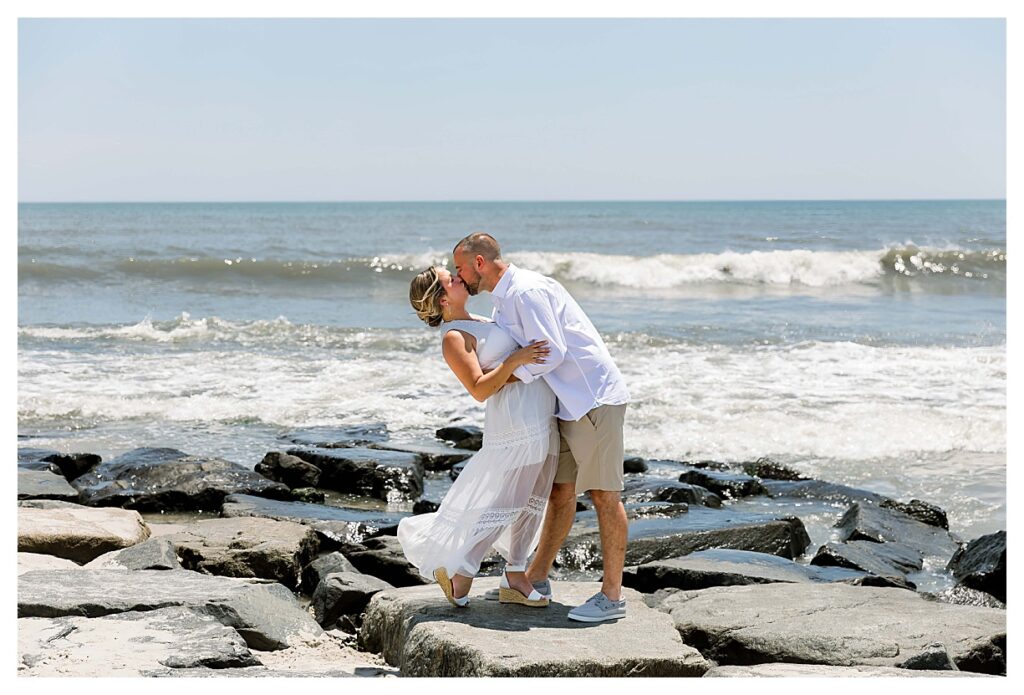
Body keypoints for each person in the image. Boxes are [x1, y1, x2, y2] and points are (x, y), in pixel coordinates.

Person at [453, 233, 630, 622]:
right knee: (560, 492)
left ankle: (612, 597)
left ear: (480, 263)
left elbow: (552, 352)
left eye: (461, 268)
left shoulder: (526, 292)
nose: (460, 276)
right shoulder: (504, 298)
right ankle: (534, 576)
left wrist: (502, 378)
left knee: (604, 494)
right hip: (564, 404)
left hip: (592, 398)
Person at [398, 266, 559, 608]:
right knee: (511, 500)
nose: (459, 277)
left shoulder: (484, 319)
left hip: (539, 410)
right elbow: (479, 389)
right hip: (515, 420)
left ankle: (516, 573)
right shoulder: (454, 337)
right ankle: (463, 573)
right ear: (443, 299)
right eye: (450, 279)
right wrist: (516, 360)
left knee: (534, 496)